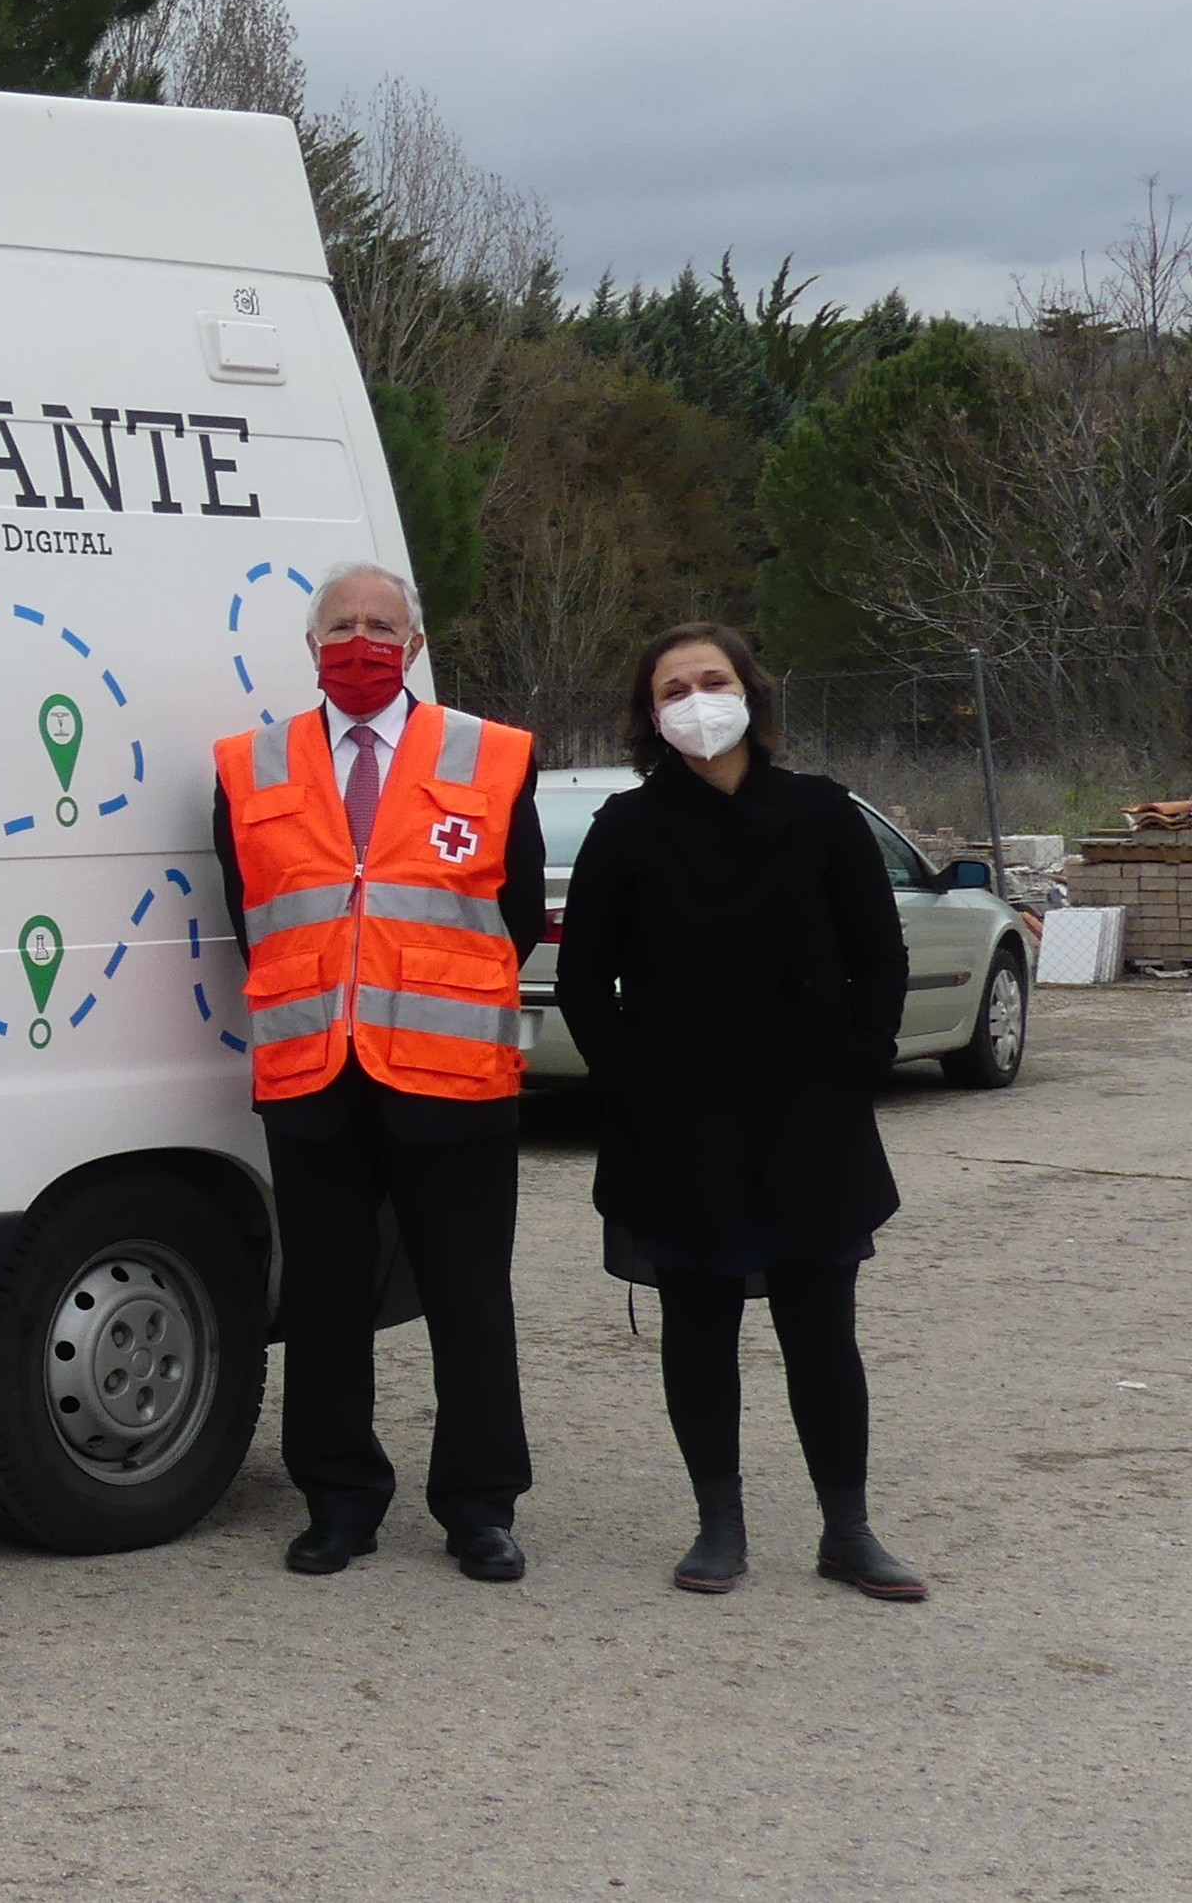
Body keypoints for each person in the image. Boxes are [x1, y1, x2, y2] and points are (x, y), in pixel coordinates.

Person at [553, 622, 927, 1601]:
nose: (694, 700)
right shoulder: (626, 829)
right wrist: (628, 1076)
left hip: (810, 1112)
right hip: (679, 1119)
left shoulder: (821, 814)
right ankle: (717, 1525)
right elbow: (584, 976)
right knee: (698, 1323)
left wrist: (862, 1058)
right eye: (672, 688)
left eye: (711, 680)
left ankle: (847, 1530)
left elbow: (877, 952)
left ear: (751, 695)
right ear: (649, 715)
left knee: (821, 1328)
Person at [212, 562, 543, 1581]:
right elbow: (248, 912)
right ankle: (339, 1499)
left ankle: (479, 1506)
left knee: (468, 1296)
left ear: (414, 641)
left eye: (382, 626)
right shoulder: (247, 764)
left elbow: (517, 913)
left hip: (449, 1073)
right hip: (313, 1077)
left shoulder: (489, 756)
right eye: (343, 626)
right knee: (322, 1299)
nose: (362, 642)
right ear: (312, 647)